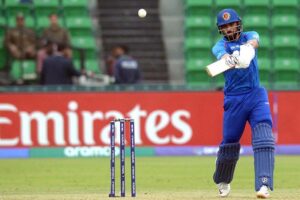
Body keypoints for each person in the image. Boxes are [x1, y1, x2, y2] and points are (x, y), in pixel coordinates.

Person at [211, 9, 275, 199]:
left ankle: (264, 184)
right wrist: (230, 59)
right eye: (225, 26)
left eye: (232, 24)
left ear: (238, 24)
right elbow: (220, 55)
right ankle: (223, 179)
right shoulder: (219, 46)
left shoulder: (250, 35)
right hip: (234, 98)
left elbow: (255, 40)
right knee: (229, 141)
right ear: (221, 30)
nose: (229, 28)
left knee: (264, 134)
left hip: (255, 94)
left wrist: (247, 49)